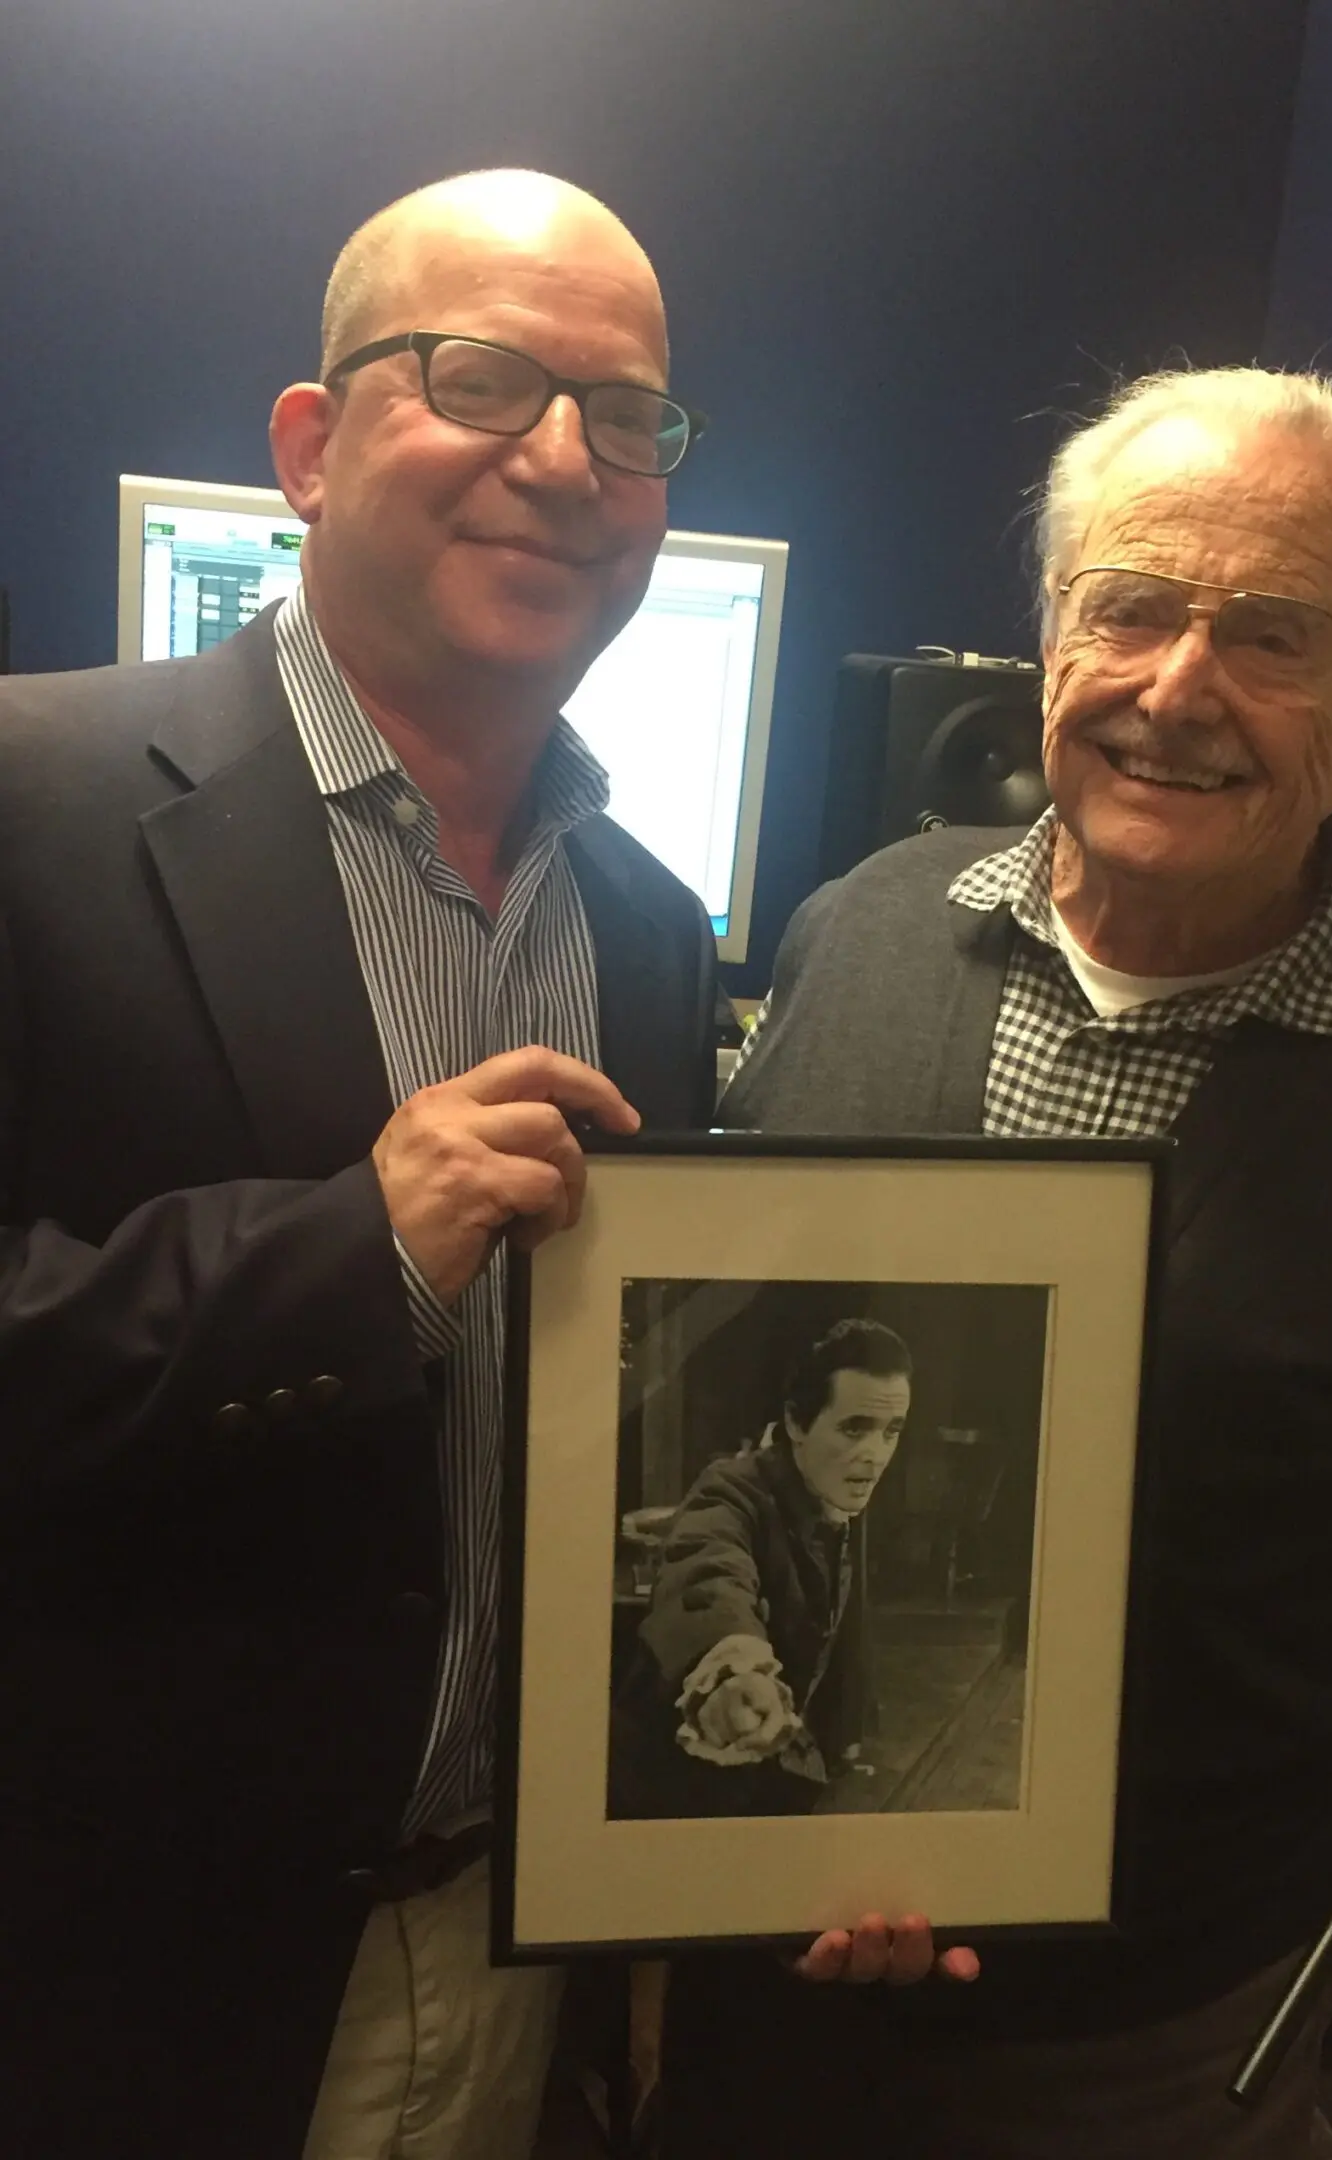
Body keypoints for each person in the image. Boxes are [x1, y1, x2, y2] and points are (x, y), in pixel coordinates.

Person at [669, 369, 1332, 2160]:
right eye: (1127, 608)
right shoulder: (854, 932)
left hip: (1162, 2049)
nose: (1177, 688)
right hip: (764, 1985)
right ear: (1054, 640)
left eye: (1273, 635)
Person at [0, 169, 720, 2160]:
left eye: (629, 417)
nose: (564, 463)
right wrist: (353, 1259)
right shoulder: (27, 800)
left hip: (508, 1959)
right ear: (310, 447)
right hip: (109, 1987)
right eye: (482, 380)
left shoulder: (650, 932)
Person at [609, 1317, 913, 1819]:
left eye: (892, 1431)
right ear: (796, 1422)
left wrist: (845, 1729)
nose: (875, 1455)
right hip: (673, 1792)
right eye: (854, 1428)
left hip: (778, 1779)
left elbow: (841, 1612)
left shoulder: (836, 1483)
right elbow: (709, 1571)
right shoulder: (731, 1490)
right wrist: (734, 1669)